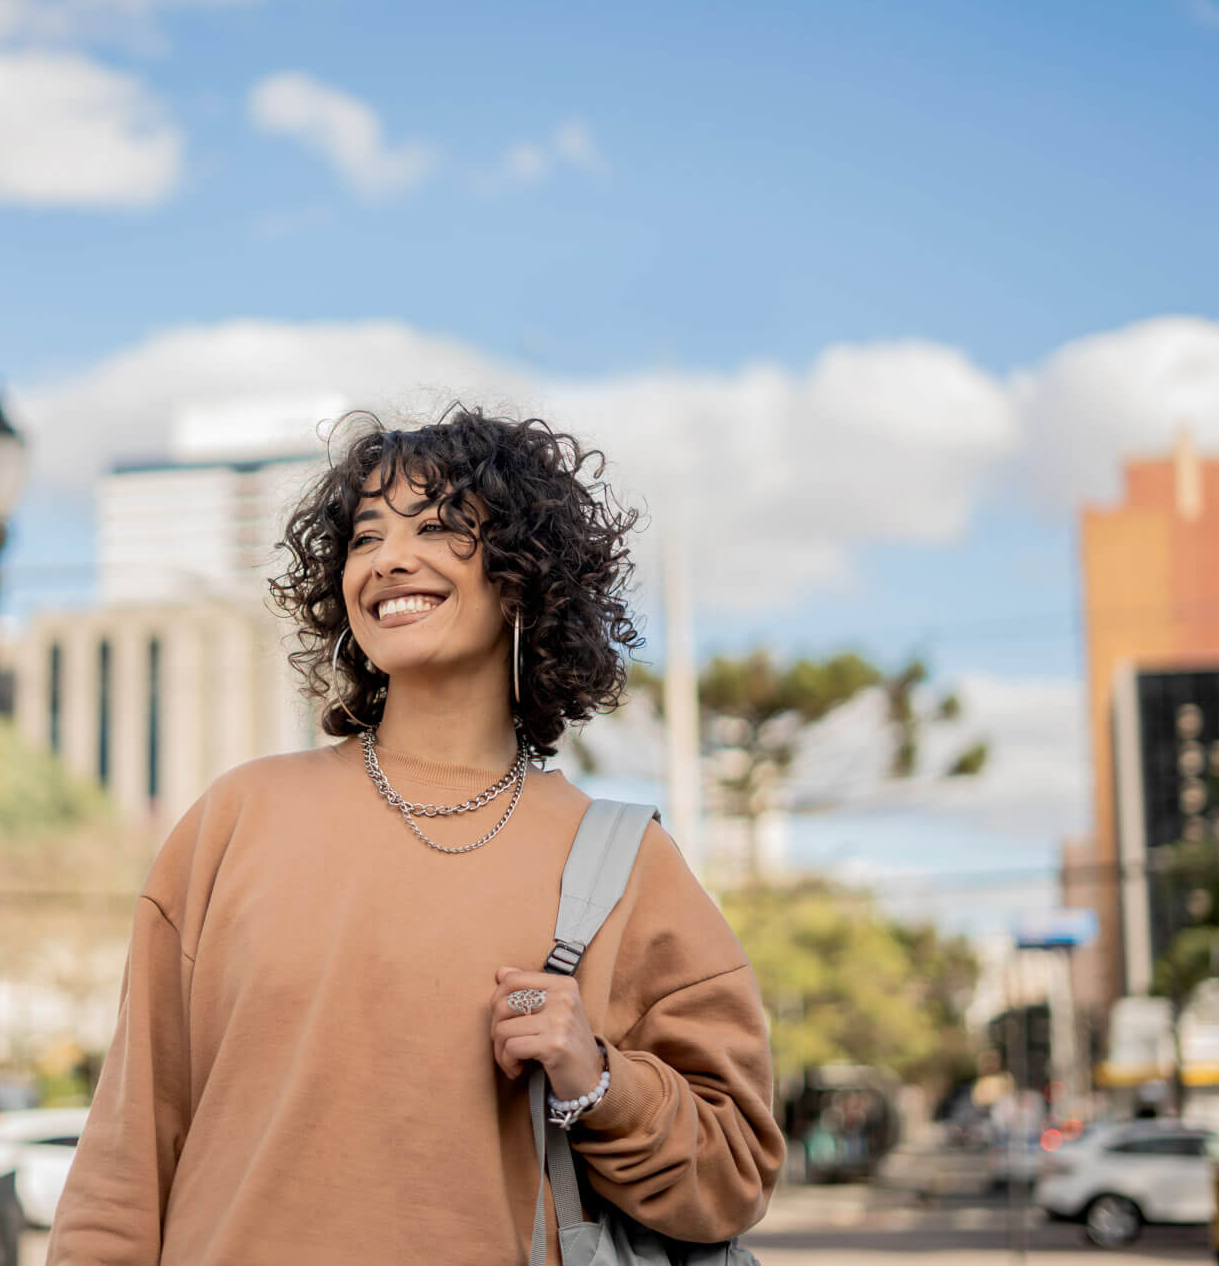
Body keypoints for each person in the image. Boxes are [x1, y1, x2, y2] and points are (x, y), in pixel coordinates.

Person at [45, 407, 783, 1264]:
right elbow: (126, 1152)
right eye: (365, 537)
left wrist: (598, 1081)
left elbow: (734, 1172)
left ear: (523, 574)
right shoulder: (237, 819)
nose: (389, 558)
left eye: (437, 527)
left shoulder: (621, 862)